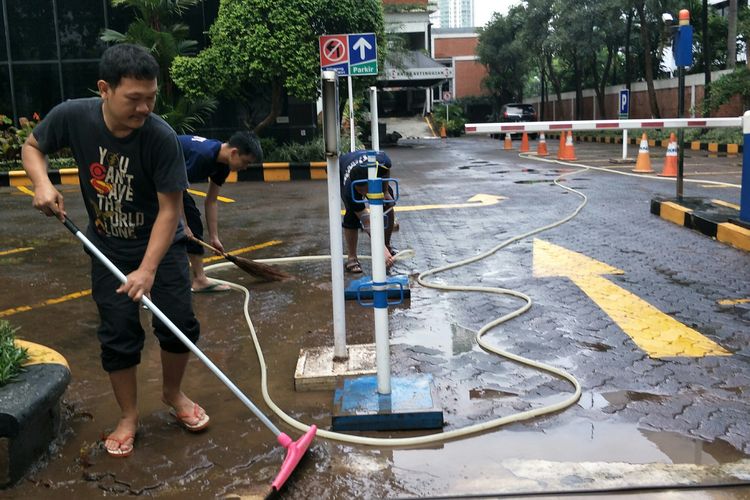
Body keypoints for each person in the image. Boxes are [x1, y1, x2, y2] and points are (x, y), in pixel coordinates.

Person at [22, 43, 208, 458]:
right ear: (104, 89)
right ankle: (128, 416)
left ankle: (173, 395)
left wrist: (148, 269)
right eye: (134, 99)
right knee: (118, 334)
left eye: (151, 98)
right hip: (106, 247)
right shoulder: (73, 115)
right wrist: (42, 182)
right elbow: (33, 147)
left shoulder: (159, 137)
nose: (144, 108)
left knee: (179, 325)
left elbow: (169, 211)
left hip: (162, 248)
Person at [178, 132, 262, 292]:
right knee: (168, 229)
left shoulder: (223, 165)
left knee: (193, 223)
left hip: (173, 185)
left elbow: (211, 201)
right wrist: (183, 224)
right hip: (153, 177)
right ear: (234, 153)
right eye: (245, 162)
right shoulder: (202, 155)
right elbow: (176, 187)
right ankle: (148, 290)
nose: (244, 168)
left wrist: (214, 237)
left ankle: (199, 280)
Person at [339, 150, 397, 273]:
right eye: (358, 190)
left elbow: (386, 170)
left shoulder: (382, 162)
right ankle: (352, 257)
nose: (361, 194)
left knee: (388, 204)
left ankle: (387, 244)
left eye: (363, 190)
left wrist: (385, 190)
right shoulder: (350, 190)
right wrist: (379, 248)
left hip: (370, 166)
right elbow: (366, 221)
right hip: (342, 165)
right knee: (352, 215)